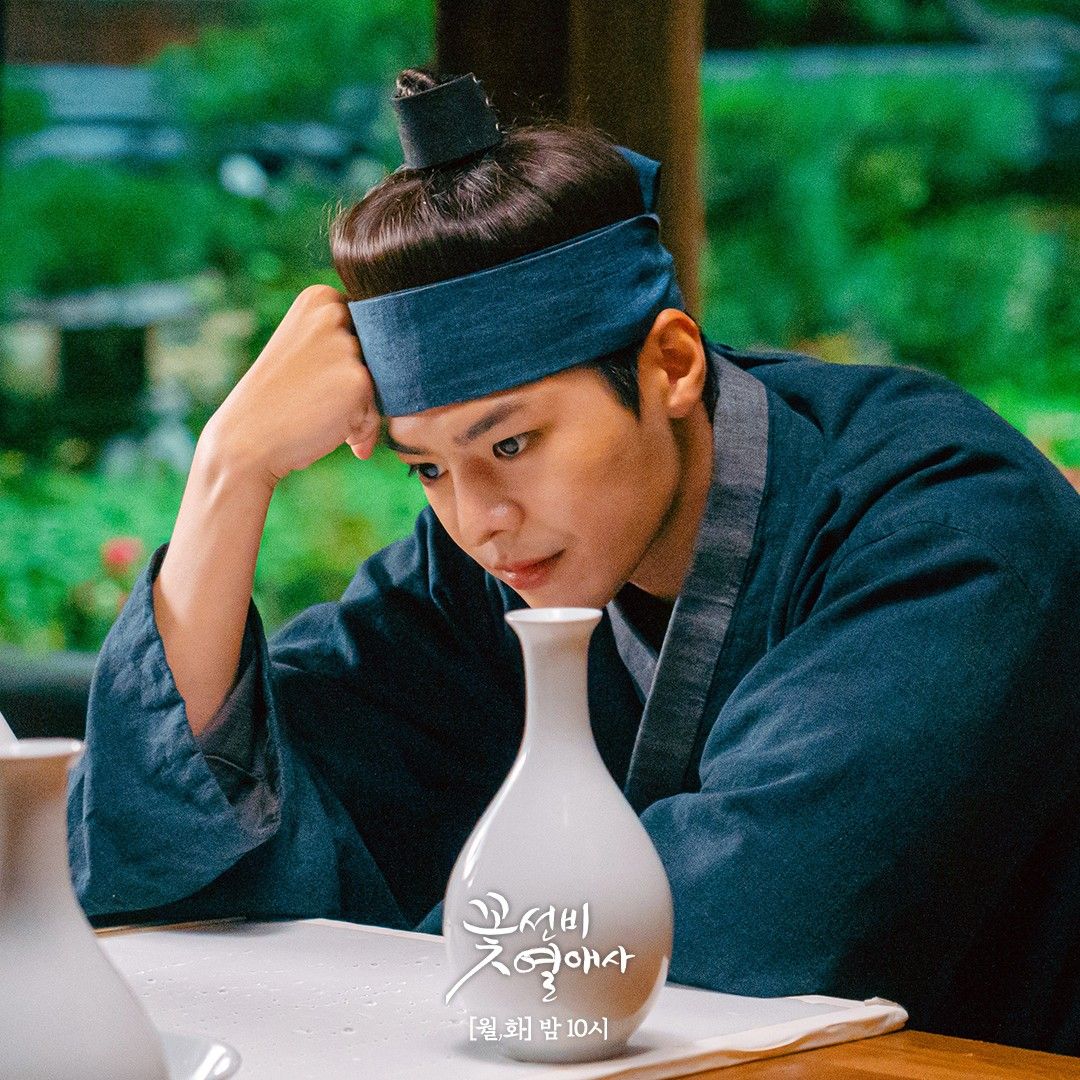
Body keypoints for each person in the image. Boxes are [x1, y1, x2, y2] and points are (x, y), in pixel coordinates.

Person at [68, 69, 1080, 1054]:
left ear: (672, 364)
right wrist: (228, 472)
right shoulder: (481, 569)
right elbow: (163, 852)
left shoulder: (949, 523)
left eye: (512, 444)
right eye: (428, 469)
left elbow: (747, 925)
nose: (480, 521)